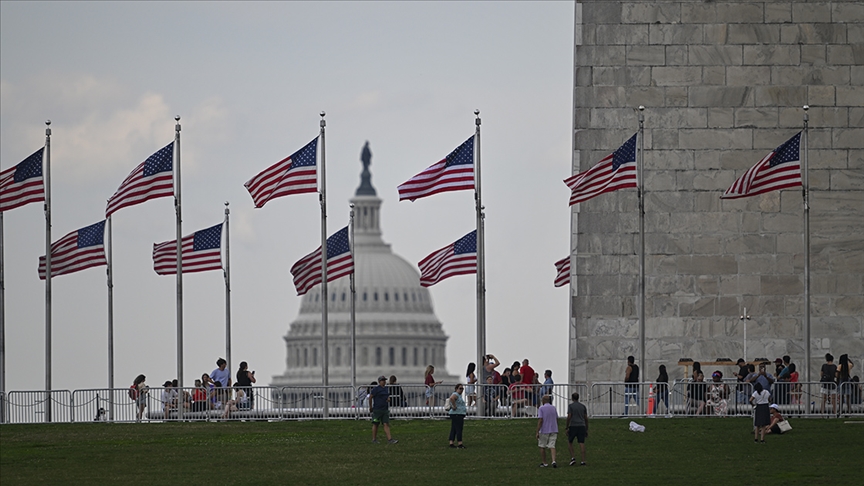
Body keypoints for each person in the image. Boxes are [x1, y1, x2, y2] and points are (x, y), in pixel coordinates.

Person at [369, 375, 397, 444]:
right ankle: (374, 439)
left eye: (384, 380)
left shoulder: (386, 389)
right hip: (377, 409)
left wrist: (388, 399)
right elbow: (370, 397)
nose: (384, 382)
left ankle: (389, 439)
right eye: (382, 380)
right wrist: (370, 407)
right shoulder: (376, 389)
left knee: (386, 424)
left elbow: (387, 397)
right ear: (379, 381)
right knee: (376, 424)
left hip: (385, 409)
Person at [566, 392, 588, 466]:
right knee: (581, 442)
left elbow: (569, 416)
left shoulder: (571, 406)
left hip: (573, 425)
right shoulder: (583, 406)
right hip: (582, 425)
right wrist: (586, 428)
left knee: (570, 441)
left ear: (572, 398)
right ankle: (583, 460)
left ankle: (573, 457)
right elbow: (585, 418)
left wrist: (567, 426)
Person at [536, 395, 559, 468]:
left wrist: (537, 430)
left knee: (542, 446)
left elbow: (540, 420)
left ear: (543, 401)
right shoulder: (553, 408)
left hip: (544, 430)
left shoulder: (541, 408)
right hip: (553, 429)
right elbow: (556, 418)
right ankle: (553, 461)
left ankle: (544, 462)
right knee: (552, 445)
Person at [448, 384, 467, 449]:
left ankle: (451, 442)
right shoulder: (456, 394)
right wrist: (454, 406)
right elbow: (452, 398)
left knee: (454, 428)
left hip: (457, 414)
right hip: (457, 414)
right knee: (459, 428)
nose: (461, 390)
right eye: (460, 388)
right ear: (456, 389)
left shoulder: (459, 395)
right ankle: (460, 443)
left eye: (462, 389)